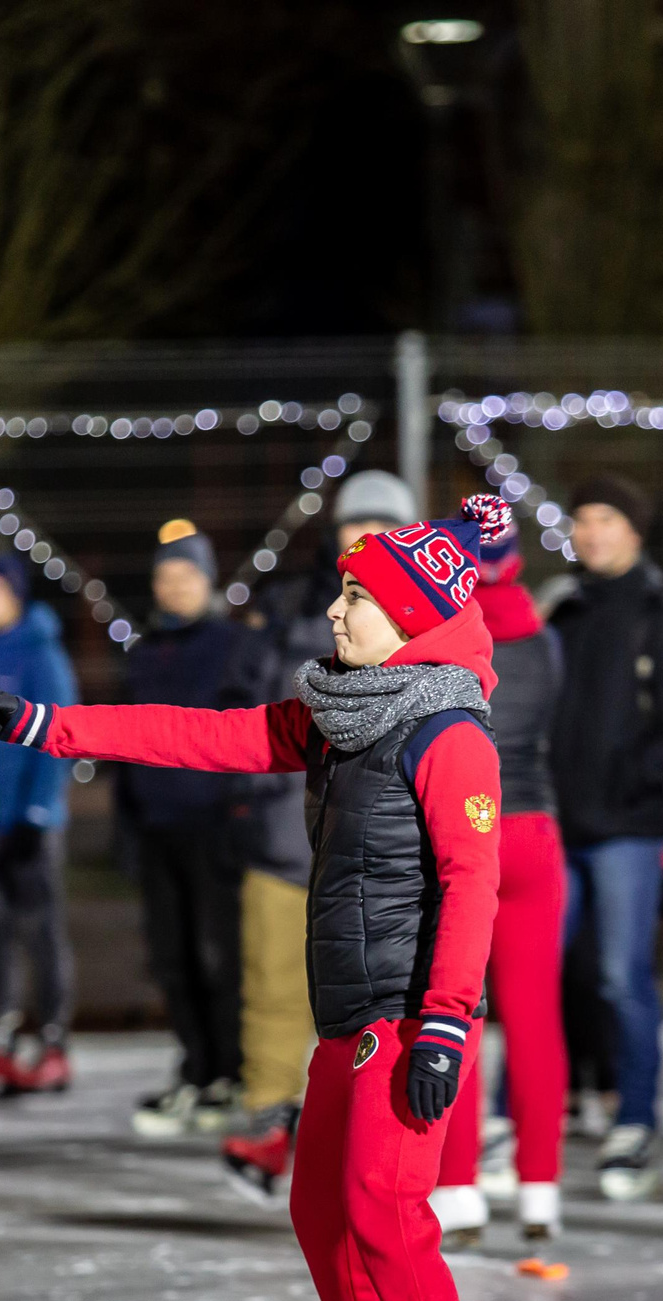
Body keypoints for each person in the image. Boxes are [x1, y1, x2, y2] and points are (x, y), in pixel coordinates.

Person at [0, 504, 508, 1301]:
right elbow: (199, 736)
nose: (336, 614)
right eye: (341, 592)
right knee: (317, 1212)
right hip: (344, 1015)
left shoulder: (448, 733)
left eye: (360, 599)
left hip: (405, 1015)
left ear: (415, 618)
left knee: (384, 1213)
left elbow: (474, 885)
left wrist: (447, 1022)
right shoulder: (343, 713)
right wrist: (44, 724)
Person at [223, 470, 419, 1203]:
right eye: (352, 523)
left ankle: (379, 1134)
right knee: (272, 980)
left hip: (372, 841)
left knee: (376, 993)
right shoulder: (288, 609)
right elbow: (245, 709)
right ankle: (271, 1118)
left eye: (380, 524)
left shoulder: (426, 626)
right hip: (283, 826)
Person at [547, 473, 663, 1199]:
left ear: (635, 530)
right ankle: (519, 1115)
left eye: (606, 518)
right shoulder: (567, 612)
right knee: (536, 972)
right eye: (582, 519)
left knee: (620, 976)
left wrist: (626, 783)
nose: (590, 532)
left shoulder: (660, 617)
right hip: (557, 824)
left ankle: (636, 1118)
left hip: (627, 831)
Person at [431, 499, 570, 1248]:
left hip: (469, 826)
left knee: (461, 1006)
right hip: (538, 830)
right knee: (537, 1014)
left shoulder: (443, 629)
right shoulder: (546, 639)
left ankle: (458, 1189)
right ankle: (541, 1187)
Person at [120, 520, 248, 1138]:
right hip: (157, 826)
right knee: (171, 958)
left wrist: (235, 813)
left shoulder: (229, 646)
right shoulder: (144, 653)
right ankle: (196, 1067)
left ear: (208, 581)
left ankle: (231, 1069)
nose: (175, 588)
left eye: (186, 576)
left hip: (213, 824)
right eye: (165, 577)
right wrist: (128, 824)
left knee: (219, 955)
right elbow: (124, 739)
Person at [0, 553, 79, 1096]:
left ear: (16, 596)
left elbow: (58, 735)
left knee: (40, 930)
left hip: (31, 823)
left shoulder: (40, 654)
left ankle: (53, 1041)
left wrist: (37, 812)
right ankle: (2, 1037)